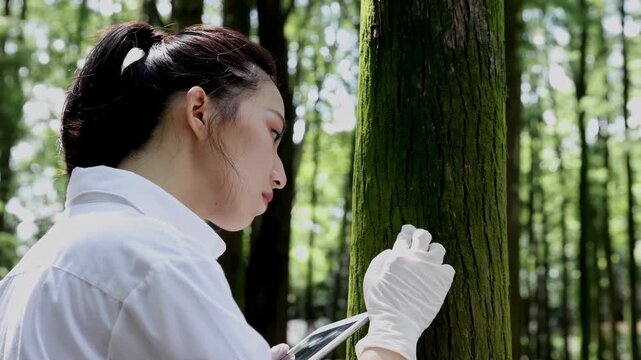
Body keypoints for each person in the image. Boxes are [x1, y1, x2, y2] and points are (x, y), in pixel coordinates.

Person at [0, 22, 455, 360]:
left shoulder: (30, 269)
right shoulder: (152, 261)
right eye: (272, 132)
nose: (280, 175)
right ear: (199, 110)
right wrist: (392, 335)